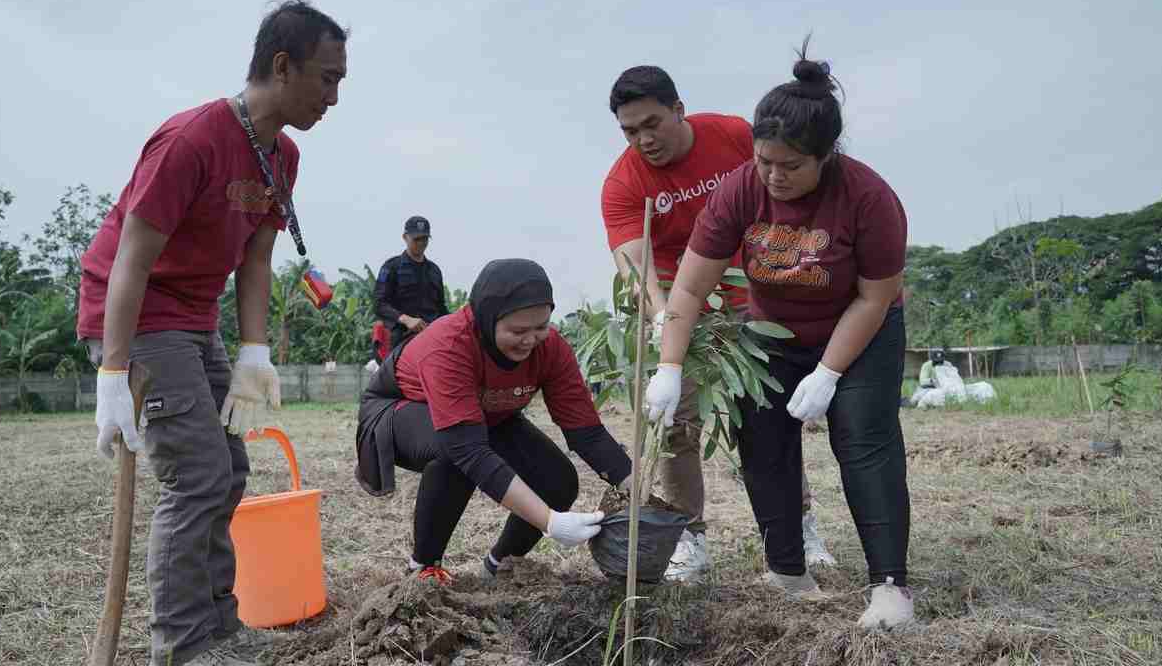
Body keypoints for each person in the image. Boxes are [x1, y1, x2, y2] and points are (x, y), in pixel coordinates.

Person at [76, 0, 348, 666]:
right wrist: (114, 373)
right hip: (138, 316)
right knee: (195, 474)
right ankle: (181, 642)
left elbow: (255, 261)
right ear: (282, 67)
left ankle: (220, 625)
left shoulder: (281, 158)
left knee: (228, 469)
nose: (334, 97)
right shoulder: (192, 139)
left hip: (195, 320)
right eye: (327, 78)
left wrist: (254, 350)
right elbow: (132, 261)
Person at [644, 41, 915, 628]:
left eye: (790, 165)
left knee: (864, 443)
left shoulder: (869, 199)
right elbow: (689, 289)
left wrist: (829, 373)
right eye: (765, 161)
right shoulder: (743, 188)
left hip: (860, 332)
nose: (774, 175)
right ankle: (788, 569)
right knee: (763, 445)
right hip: (770, 333)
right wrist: (668, 368)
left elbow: (874, 297)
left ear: (825, 157)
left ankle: (890, 588)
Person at [601, 65, 835, 582]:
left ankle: (799, 527)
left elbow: (786, 192)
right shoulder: (623, 184)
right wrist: (665, 323)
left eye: (651, 124)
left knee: (768, 420)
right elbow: (637, 271)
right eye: (629, 131)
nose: (643, 140)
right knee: (675, 423)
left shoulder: (731, 136)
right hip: (683, 312)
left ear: (679, 110)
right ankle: (689, 539)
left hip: (755, 299)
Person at [355, 259, 632, 583]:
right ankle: (424, 568)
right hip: (398, 409)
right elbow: (467, 450)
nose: (530, 340)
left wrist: (637, 490)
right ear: (486, 321)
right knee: (453, 455)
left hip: (484, 415)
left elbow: (586, 432)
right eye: (517, 331)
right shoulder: (449, 344)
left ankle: (499, 564)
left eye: (541, 327)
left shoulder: (551, 348)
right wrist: (550, 522)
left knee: (558, 481)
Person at [375, 215, 449, 351]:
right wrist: (406, 319)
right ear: (405, 237)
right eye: (416, 239)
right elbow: (380, 305)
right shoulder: (392, 267)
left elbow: (441, 308)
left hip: (432, 337)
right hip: (401, 336)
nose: (421, 243)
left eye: (425, 239)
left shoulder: (435, 270)